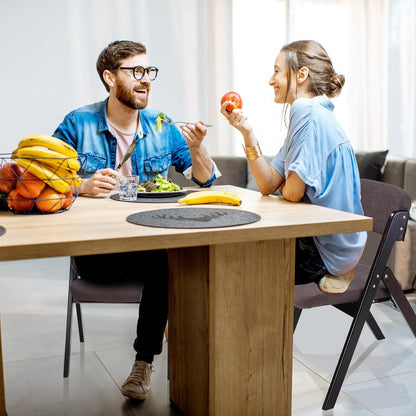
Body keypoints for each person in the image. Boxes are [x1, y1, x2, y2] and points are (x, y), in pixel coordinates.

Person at [53, 40, 220, 400]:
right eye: (136, 72)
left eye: (149, 72)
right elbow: (43, 176)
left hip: (148, 247)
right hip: (97, 249)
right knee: (166, 262)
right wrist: (81, 185)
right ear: (110, 78)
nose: (145, 80)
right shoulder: (77, 123)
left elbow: (205, 178)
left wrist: (197, 148)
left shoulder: (162, 125)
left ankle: (146, 362)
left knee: (172, 258)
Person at [221, 39, 366, 295]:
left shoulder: (306, 110)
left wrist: (289, 184)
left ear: (301, 75)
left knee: (230, 259)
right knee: (233, 251)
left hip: (323, 252)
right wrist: (247, 132)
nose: (270, 79)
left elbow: (292, 193)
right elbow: (267, 185)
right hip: (335, 245)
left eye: (277, 70)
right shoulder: (311, 115)